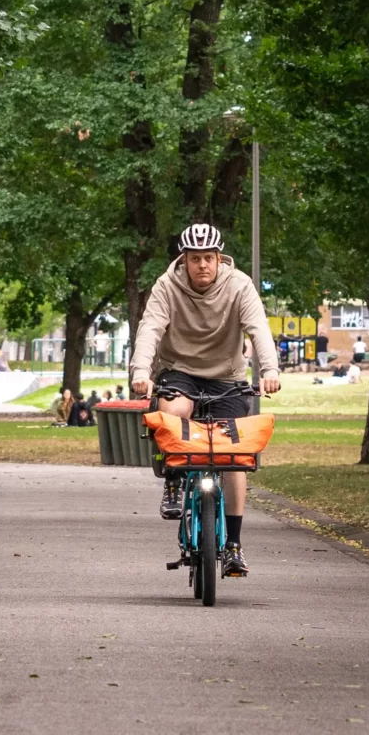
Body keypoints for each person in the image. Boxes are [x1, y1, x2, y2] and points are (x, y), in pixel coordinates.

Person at [130, 223, 280, 578]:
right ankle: (173, 481)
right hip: (180, 370)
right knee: (174, 413)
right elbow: (150, 328)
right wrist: (141, 372)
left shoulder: (239, 285)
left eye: (208, 258)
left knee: (234, 455)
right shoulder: (167, 286)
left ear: (219, 258)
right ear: (184, 260)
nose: (202, 266)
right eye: (195, 259)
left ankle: (233, 546)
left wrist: (269, 370)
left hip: (227, 376)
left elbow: (258, 327)